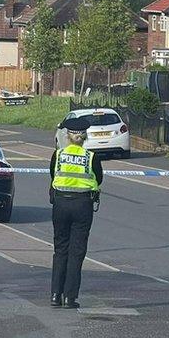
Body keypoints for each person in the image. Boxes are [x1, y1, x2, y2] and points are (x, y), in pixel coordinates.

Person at [49, 117, 103, 309]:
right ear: (84, 136)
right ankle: (70, 298)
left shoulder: (59, 154)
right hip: (82, 205)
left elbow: (53, 175)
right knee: (76, 252)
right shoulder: (91, 157)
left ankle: (55, 294)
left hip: (61, 204)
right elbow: (100, 178)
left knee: (60, 249)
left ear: (68, 136)